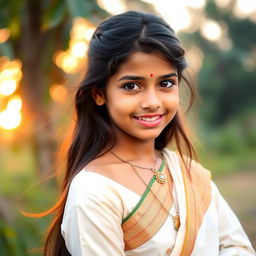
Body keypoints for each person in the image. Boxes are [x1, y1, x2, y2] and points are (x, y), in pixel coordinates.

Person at [43, 11, 255, 256]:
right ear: (99, 94)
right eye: (131, 86)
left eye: (165, 83)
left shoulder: (188, 172)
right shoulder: (94, 192)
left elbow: (237, 247)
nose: (152, 102)